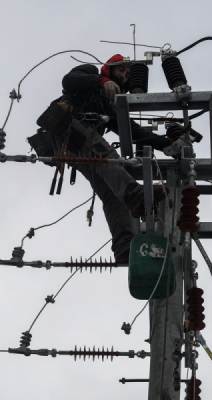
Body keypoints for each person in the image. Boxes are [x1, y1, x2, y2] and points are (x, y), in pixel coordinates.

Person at [38, 54, 171, 263]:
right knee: (110, 158)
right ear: (109, 68)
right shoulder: (90, 73)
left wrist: (166, 144)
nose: (124, 76)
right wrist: (103, 81)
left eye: (127, 75)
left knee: (111, 192)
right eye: (121, 70)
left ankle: (124, 248)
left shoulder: (109, 106)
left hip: (78, 147)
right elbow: (69, 81)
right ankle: (134, 193)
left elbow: (133, 131)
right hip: (70, 128)